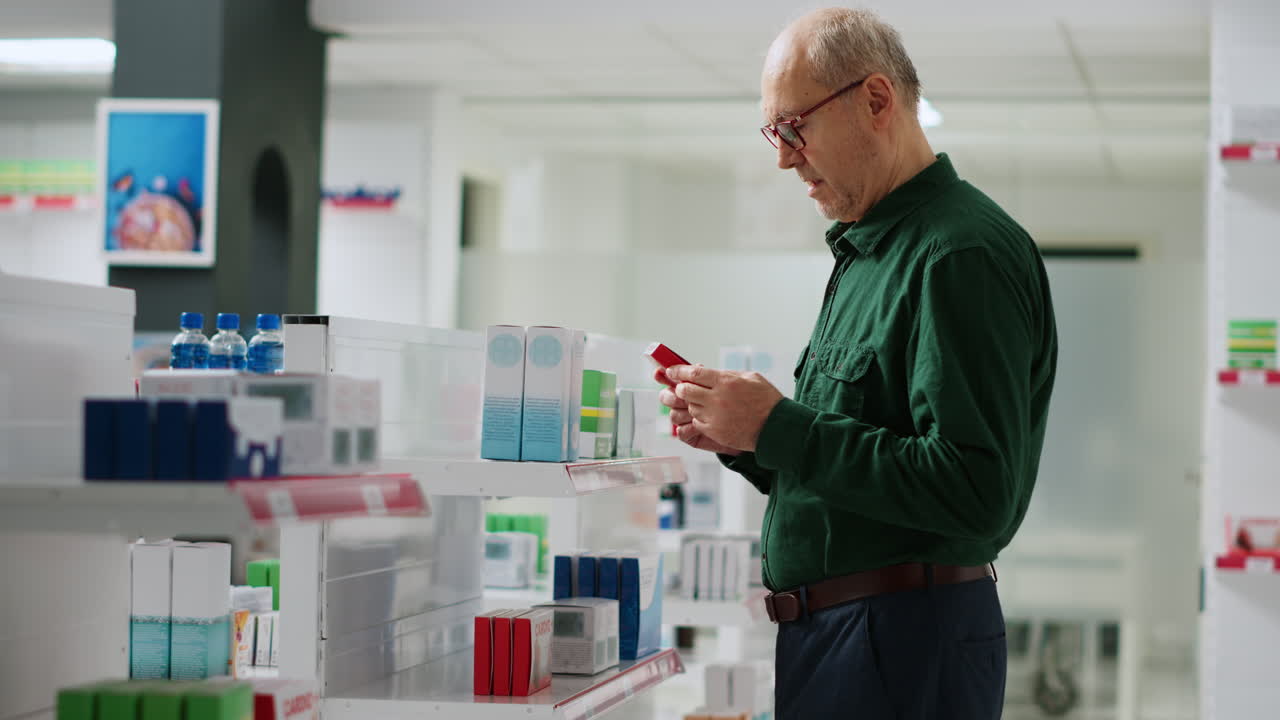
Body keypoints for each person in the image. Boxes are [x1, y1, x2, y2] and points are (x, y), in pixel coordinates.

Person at [656, 8, 1058, 719]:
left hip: (901, 638)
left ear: (875, 101)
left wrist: (780, 425)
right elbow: (858, 470)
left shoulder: (958, 253)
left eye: (793, 127)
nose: (782, 156)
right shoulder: (871, 251)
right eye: (772, 133)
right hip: (844, 635)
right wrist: (748, 439)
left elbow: (973, 489)